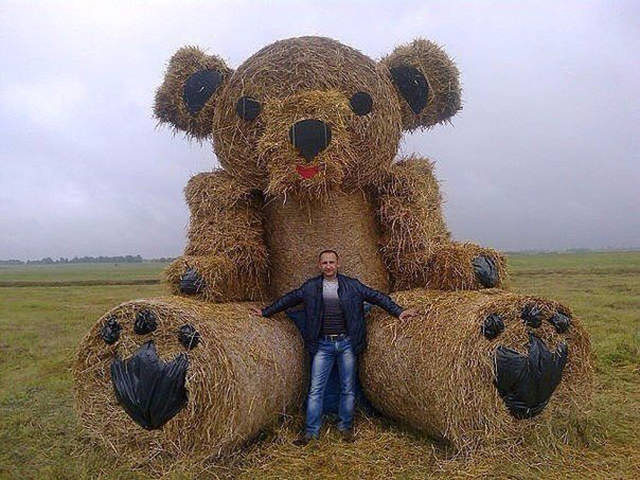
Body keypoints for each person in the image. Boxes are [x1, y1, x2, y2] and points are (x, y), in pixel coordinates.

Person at [250, 249, 417, 445]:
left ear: (338, 264)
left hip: (346, 343)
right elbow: (288, 299)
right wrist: (264, 312)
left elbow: (377, 297)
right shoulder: (310, 288)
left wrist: (399, 311)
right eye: (325, 263)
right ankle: (310, 433)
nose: (328, 266)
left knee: (347, 388)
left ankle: (345, 428)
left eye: (331, 262)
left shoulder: (353, 286)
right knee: (315, 389)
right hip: (323, 345)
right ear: (319, 266)